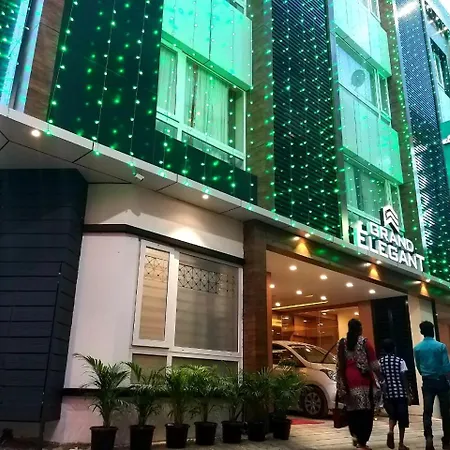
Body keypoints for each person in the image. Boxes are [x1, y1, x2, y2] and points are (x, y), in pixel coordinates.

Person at [336, 319, 381, 450]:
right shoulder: (365, 342)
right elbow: (374, 364)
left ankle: (354, 434)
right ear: (360, 329)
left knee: (352, 410)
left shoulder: (342, 343)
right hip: (363, 380)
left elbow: (339, 364)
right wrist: (380, 377)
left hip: (348, 380)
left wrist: (341, 382)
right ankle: (362, 442)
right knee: (365, 412)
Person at [414, 321, 450, 450]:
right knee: (446, 412)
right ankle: (447, 440)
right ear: (433, 331)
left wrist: (425, 374)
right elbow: (446, 366)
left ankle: (428, 438)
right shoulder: (440, 346)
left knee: (427, 411)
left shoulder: (417, 348)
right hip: (441, 381)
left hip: (427, 381)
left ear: (422, 332)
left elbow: (418, 366)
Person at [380, 338, 410, 450]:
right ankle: (401, 444)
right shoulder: (400, 361)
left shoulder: (380, 362)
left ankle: (390, 431)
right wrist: (408, 393)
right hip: (400, 394)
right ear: (394, 348)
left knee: (392, 416)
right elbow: (404, 378)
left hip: (388, 394)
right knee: (402, 419)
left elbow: (380, 378)